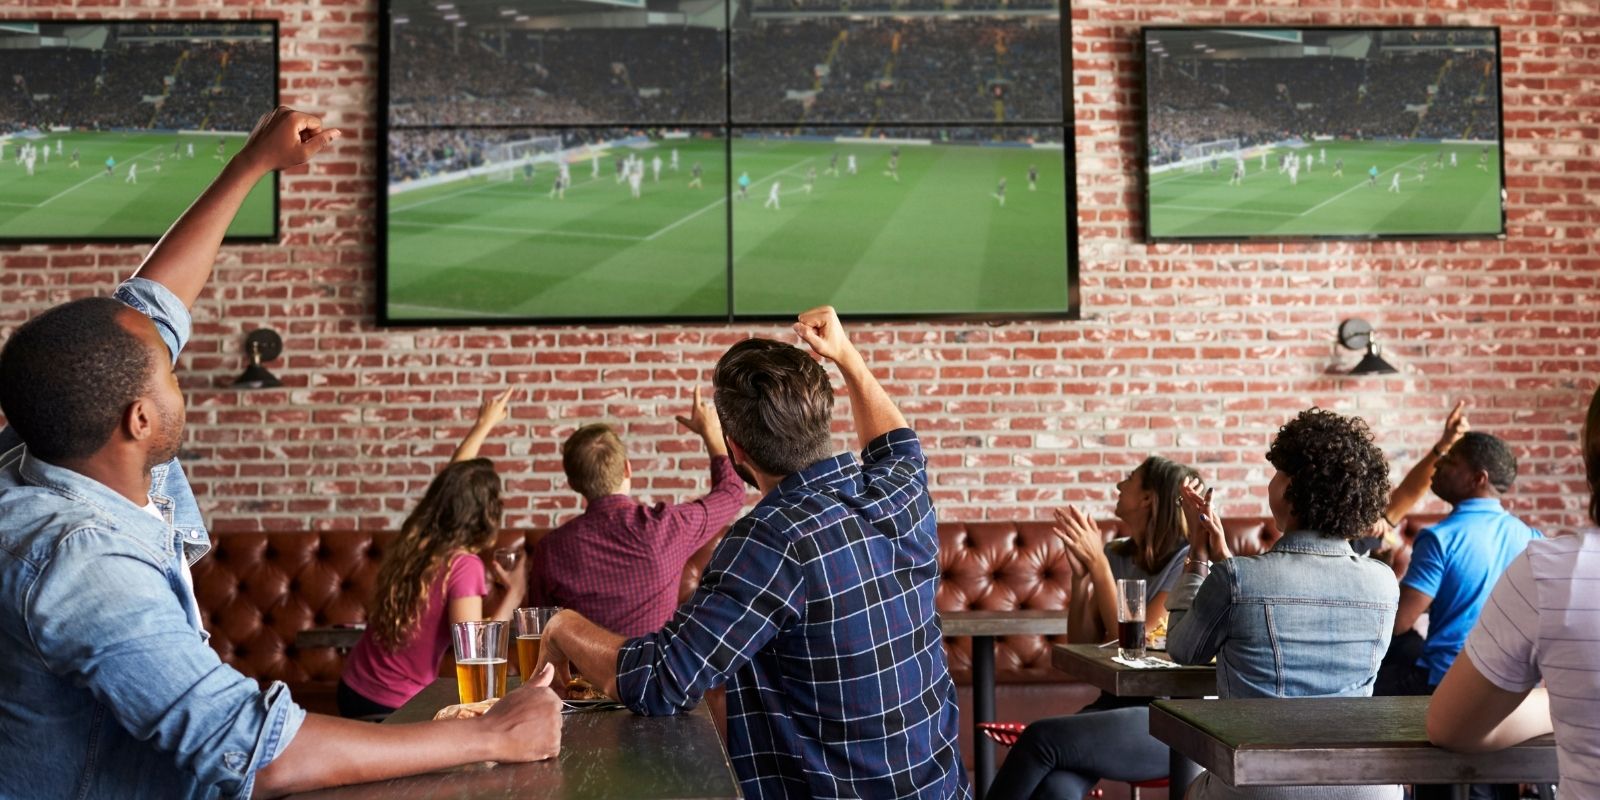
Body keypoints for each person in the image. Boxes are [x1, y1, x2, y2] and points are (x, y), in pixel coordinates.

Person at [0, 106, 561, 799]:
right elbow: (254, 755)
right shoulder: (83, 568)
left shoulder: (53, 431)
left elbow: (153, 304)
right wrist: (494, 734)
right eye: (169, 374)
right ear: (139, 418)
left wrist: (252, 165)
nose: (179, 374)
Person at [535, 307, 970, 799]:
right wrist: (847, 358)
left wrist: (562, 625)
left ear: (736, 450)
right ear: (823, 413)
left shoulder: (770, 539)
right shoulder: (898, 491)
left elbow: (658, 680)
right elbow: (897, 444)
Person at [1168, 408, 1400, 800]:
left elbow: (1182, 648)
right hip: (1368, 786)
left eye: (1277, 474)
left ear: (1292, 490)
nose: (1271, 483)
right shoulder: (1383, 582)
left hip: (1262, 785)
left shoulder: (1237, 578)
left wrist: (1198, 551)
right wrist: (1225, 556)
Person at [987, 458, 1199, 800]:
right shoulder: (1118, 553)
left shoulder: (1189, 560)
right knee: (1057, 788)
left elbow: (1137, 637)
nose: (1119, 486)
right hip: (1113, 705)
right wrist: (1082, 576)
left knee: (1040, 738)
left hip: (1169, 719)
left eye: (1129, 479)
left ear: (1148, 498)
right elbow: (1083, 641)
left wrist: (1098, 565)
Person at [1426, 383, 1597, 794]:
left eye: (1450, 460)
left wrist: (1558, 699)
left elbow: (1450, 727)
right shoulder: (1529, 537)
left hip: (1464, 684)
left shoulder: (1550, 569)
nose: (1441, 467)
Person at [338, 389, 529, 718]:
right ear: (486, 513)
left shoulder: (418, 540)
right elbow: (473, 649)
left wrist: (483, 425)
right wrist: (515, 593)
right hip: (394, 706)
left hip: (354, 688)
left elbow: (452, 483)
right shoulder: (463, 565)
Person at [529, 389, 745, 638]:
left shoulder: (551, 550)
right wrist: (711, 433)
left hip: (583, 676)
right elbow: (731, 492)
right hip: (651, 674)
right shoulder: (668, 526)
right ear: (627, 469)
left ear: (573, 483)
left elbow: (539, 631)